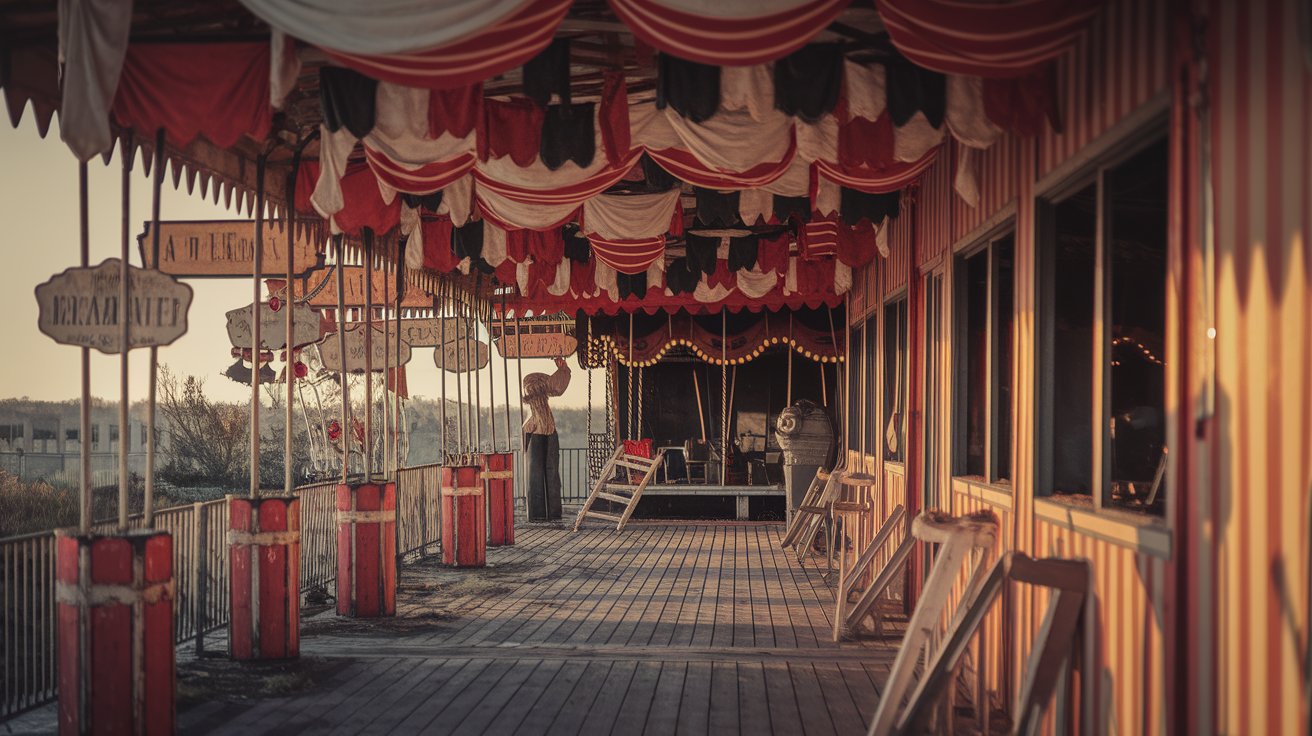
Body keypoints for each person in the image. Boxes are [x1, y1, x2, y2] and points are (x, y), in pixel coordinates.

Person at [523, 357, 571, 521]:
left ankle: (540, 513)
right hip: (547, 435)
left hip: (540, 436)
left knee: (538, 476)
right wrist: (563, 369)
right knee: (549, 475)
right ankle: (550, 512)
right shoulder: (541, 416)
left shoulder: (535, 417)